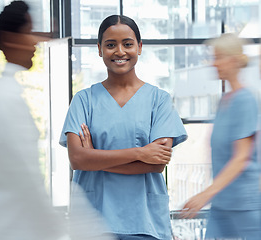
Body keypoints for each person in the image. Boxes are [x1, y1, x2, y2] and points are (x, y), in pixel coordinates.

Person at [59, 15, 187, 240]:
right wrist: (140, 153)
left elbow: (156, 164)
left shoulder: (159, 100)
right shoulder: (83, 100)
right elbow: (77, 160)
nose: (119, 51)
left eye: (127, 44)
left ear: (139, 47)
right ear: (99, 49)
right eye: (110, 45)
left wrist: (95, 158)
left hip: (144, 222)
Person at [0, 1, 66, 239]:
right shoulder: (4, 101)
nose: (36, 42)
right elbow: (29, 184)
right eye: (29, 32)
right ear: (9, 38)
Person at [181, 33, 261, 239]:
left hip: (244, 204)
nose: (213, 63)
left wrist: (206, 193)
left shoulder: (245, 100)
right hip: (222, 203)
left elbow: (241, 158)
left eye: (218, 57)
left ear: (233, 60)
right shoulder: (225, 101)